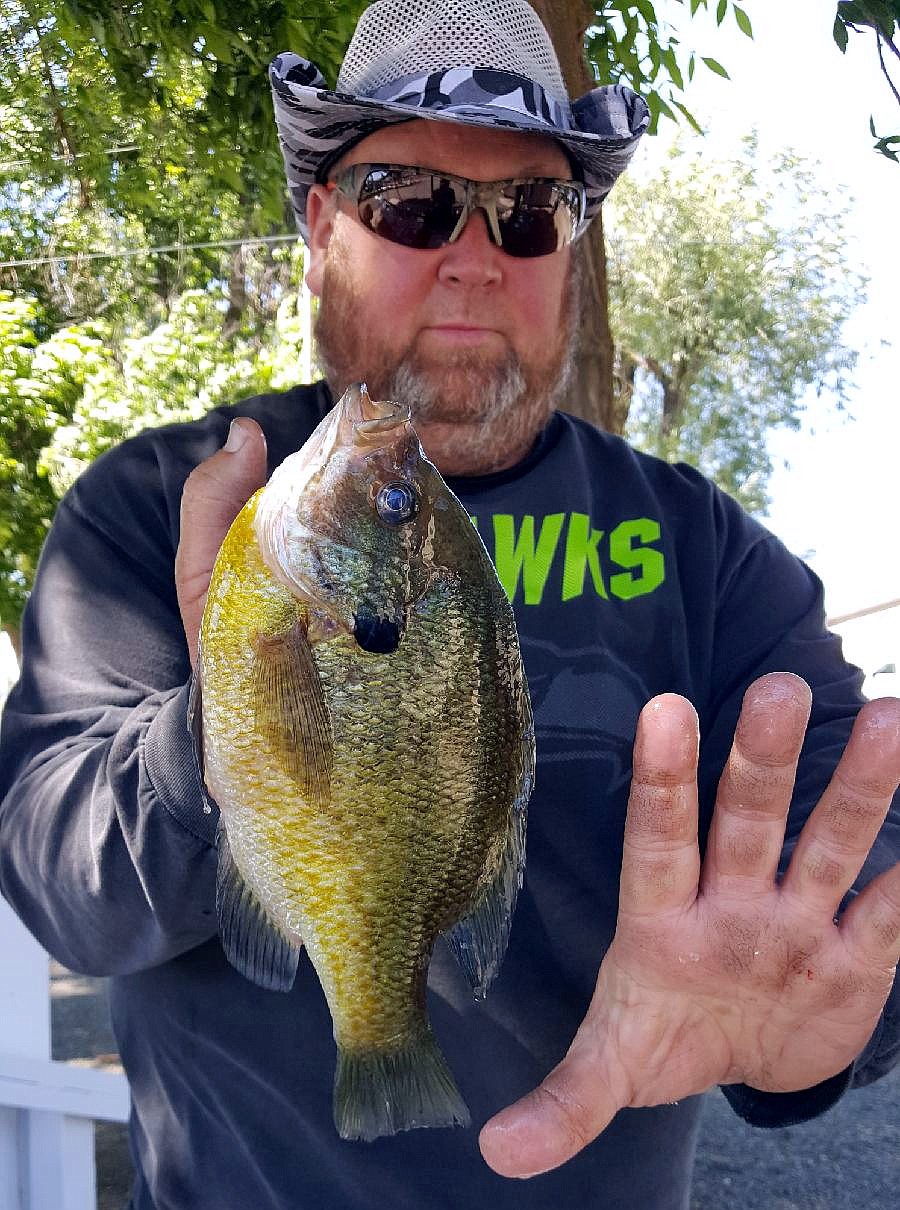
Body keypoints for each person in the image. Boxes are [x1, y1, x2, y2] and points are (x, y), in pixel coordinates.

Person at [1, 1, 898, 1206]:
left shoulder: (708, 551)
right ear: (321, 225)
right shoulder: (160, 508)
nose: (474, 256)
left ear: (571, 249)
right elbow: (59, 880)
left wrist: (835, 1011)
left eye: (530, 213)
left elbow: (864, 839)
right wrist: (225, 722)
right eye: (409, 201)